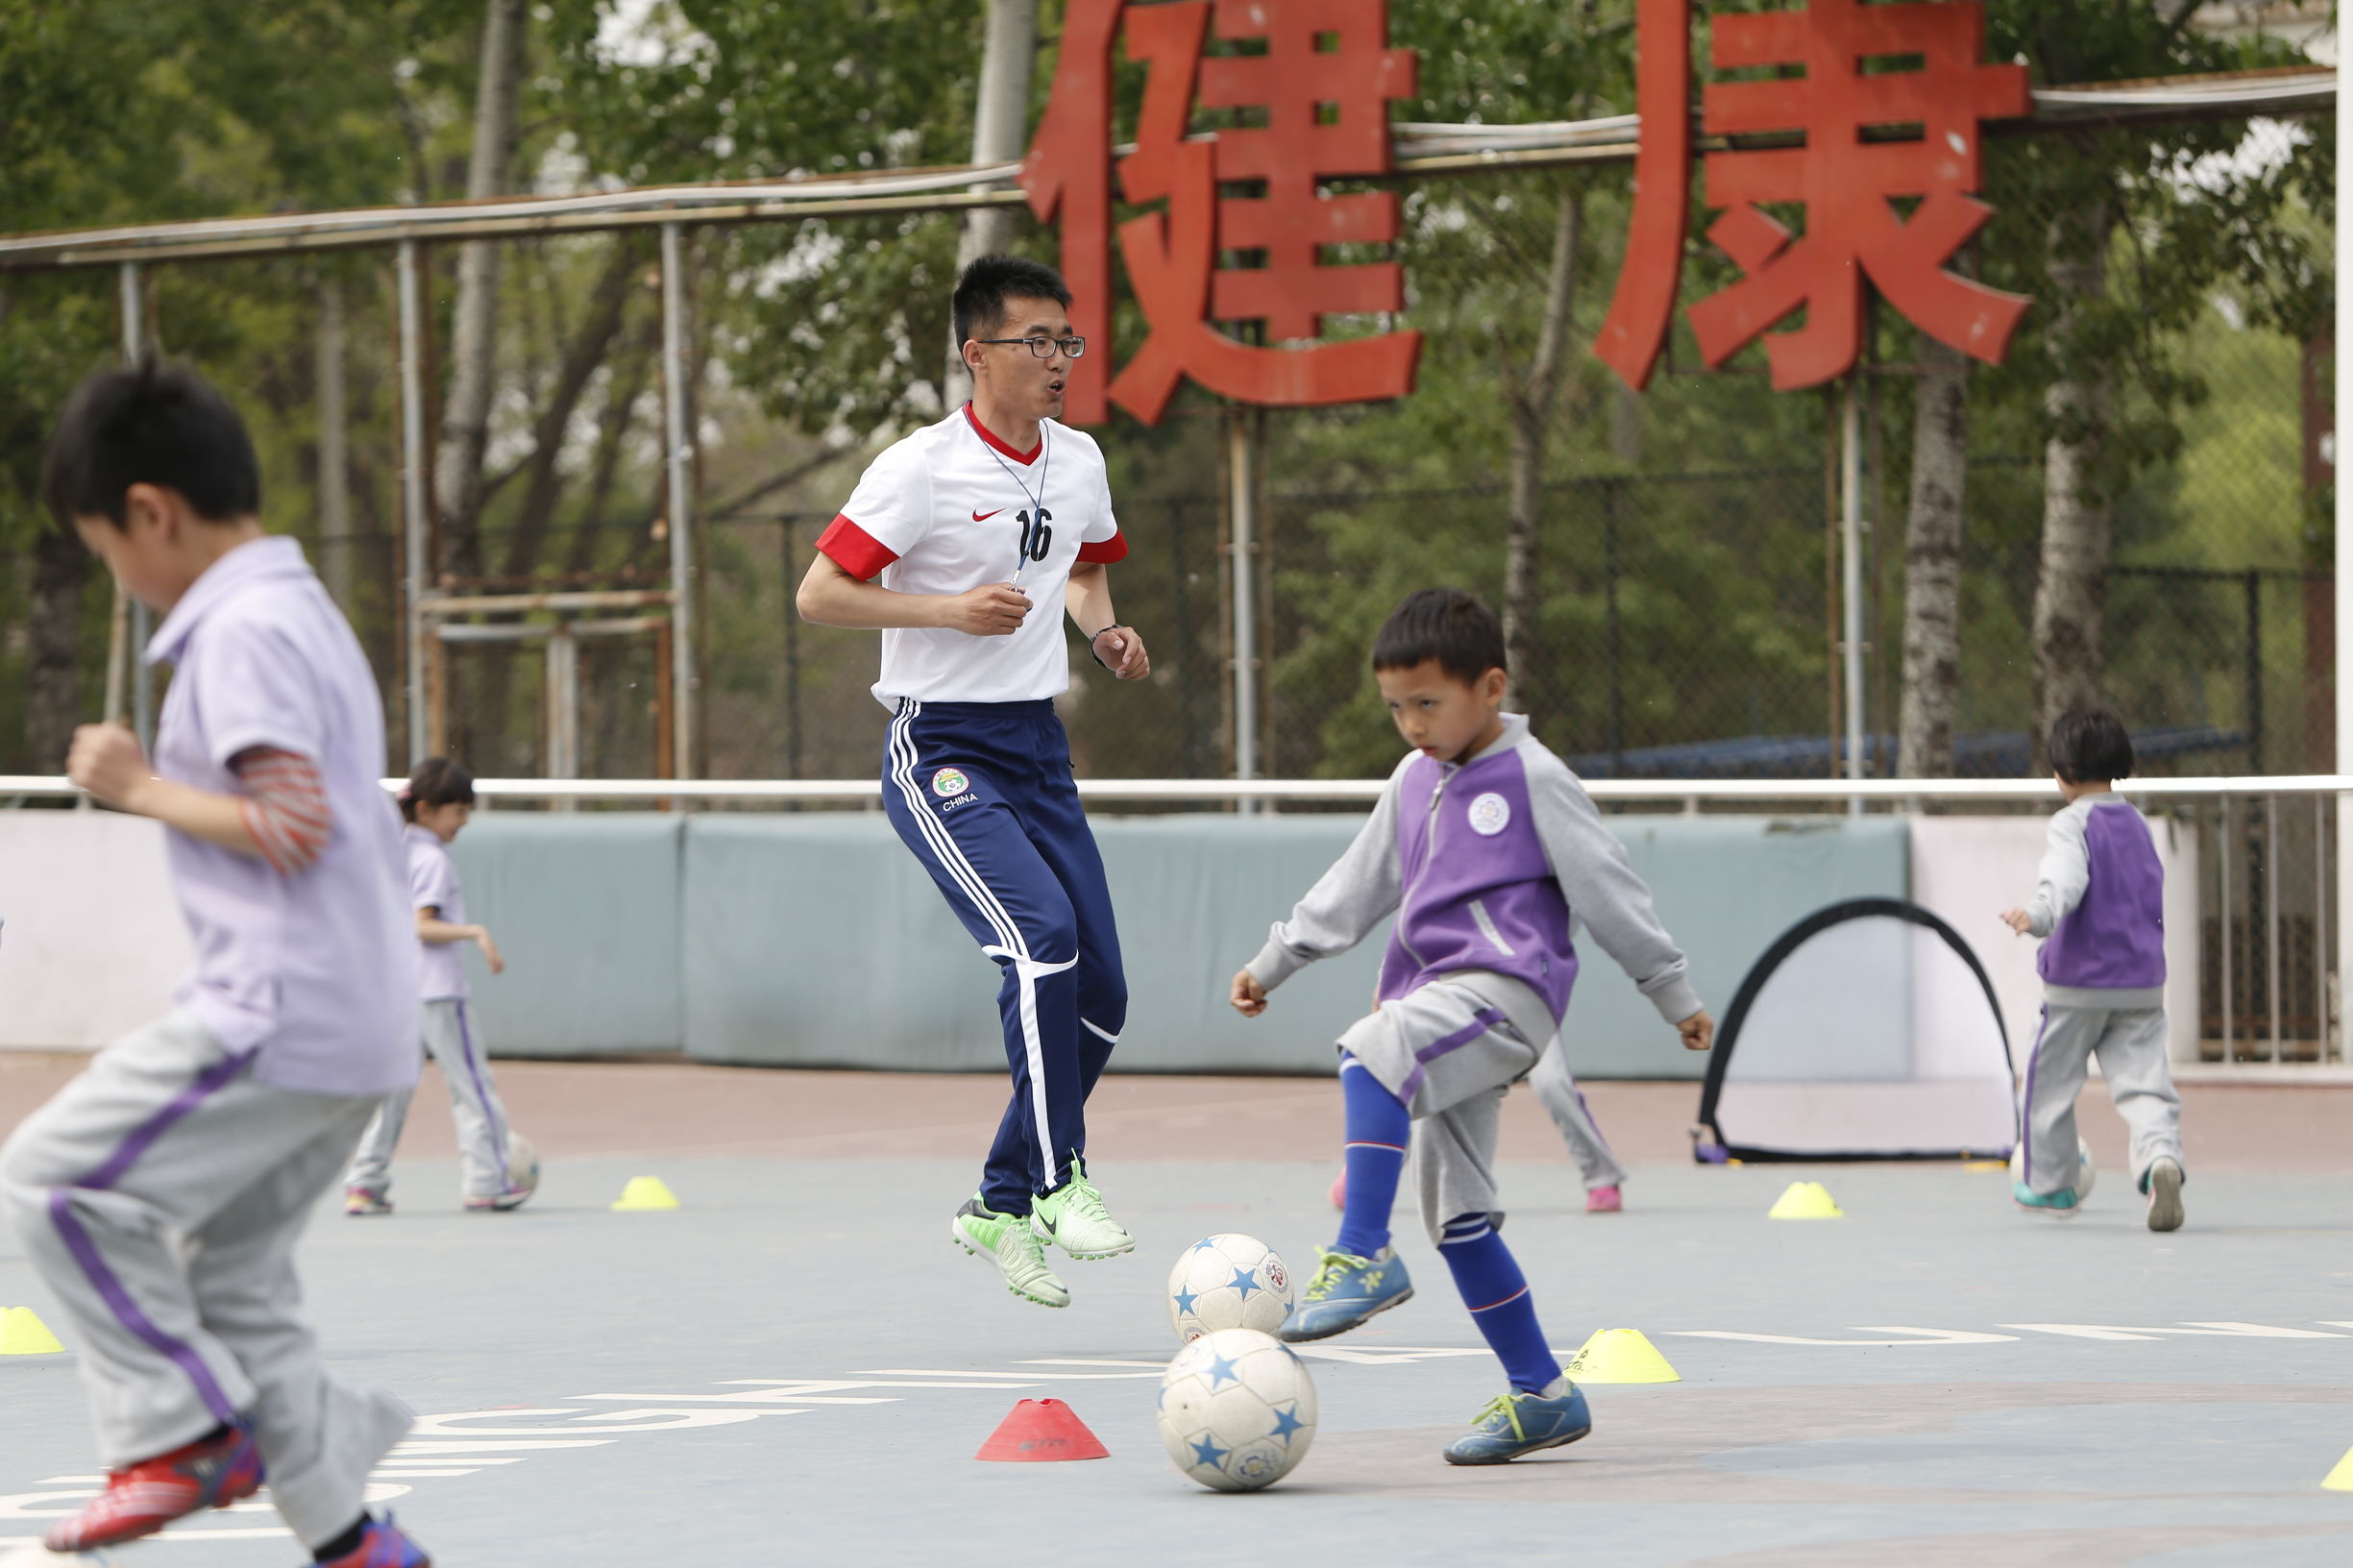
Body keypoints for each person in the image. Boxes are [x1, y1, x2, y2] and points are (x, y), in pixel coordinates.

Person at [0, 360, 429, 1565]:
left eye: (104, 550)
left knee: (52, 1181)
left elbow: (293, 826)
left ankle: (174, 1435)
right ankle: (351, 1538)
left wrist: (138, 787)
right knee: (235, 1282)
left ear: (152, 512)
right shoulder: (298, 608)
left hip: (276, 1010)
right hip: (358, 1017)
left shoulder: (236, 632)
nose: (118, 580)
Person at [1230, 587, 1712, 1464]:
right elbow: (1357, 882)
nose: (1411, 724)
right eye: (1395, 708)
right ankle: (1543, 1394)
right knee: (1459, 1220)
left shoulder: (1534, 779)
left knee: (1370, 1053)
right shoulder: (1413, 781)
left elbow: (1610, 892)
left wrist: (1670, 991)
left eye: (1428, 703)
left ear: (1489, 688)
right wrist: (1277, 958)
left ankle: (1361, 1254)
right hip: (1436, 1004)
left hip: (1504, 994)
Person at [796, 255, 1149, 1310]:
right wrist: (945, 610)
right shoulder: (920, 469)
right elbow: (820, 594)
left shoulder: (1078, 459)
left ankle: (994, 1205)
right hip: (940, 748)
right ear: (976, 353)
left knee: (1103, 997)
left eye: (1066, 340)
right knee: (1040, 939)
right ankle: (1055, 1181)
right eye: (1034, 342)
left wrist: (1106, 631)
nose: (1056, 361)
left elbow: (1085, 566)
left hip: (1037, 748)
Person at [2000, 709, 2185, 1232]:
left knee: (2048, 1083)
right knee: (2146, 1084)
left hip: (2078, 985)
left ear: (2063, 771)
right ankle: (2158, 1162)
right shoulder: (2136, 823)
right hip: (2142, 985)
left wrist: (2036, 915)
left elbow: (2064, 881)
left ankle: (2052, 1185)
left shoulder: (2071, 823)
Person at [345, 756, 531, 1216]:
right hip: (437, 991)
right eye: (458, 812)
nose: (463, 822)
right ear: (426, 809)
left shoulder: (395, 853)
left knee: (394, 1088)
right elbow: (422, 926)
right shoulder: (432, 860)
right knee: (470, 1083)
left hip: (397, 989)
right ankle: (488, 1179)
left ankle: (366, 1182)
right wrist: (474, 932)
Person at [1329, 1040, 1629, 1213]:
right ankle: (1365, 1173)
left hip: (1527, 998)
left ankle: (1601, 1176)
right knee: (1426, 1081)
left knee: (1553, 1083)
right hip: (1452, 997)